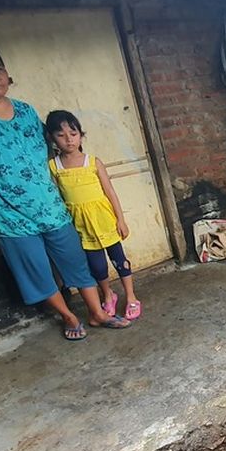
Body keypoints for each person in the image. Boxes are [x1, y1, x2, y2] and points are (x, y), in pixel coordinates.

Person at [0, 43, 130, 340]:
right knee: (36, 270)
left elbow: (55, 146)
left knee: (75, 260)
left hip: (49, 205)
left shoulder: (25, 111)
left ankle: (98, 313)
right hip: (7, 214)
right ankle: (68, 316)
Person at [45, 110, 142, 320]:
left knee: (119, 259)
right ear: (52, 138)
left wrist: (121, 219)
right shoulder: (54, 167)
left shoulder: (93, 162)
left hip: (105, 221)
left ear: (81, 134)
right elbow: (56, 198)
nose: (68, 139)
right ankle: (108, 295)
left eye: (73, 132)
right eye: (61, 135)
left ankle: (132, 296)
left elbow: (110, 192)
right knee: (96, 266)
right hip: (80, 226)